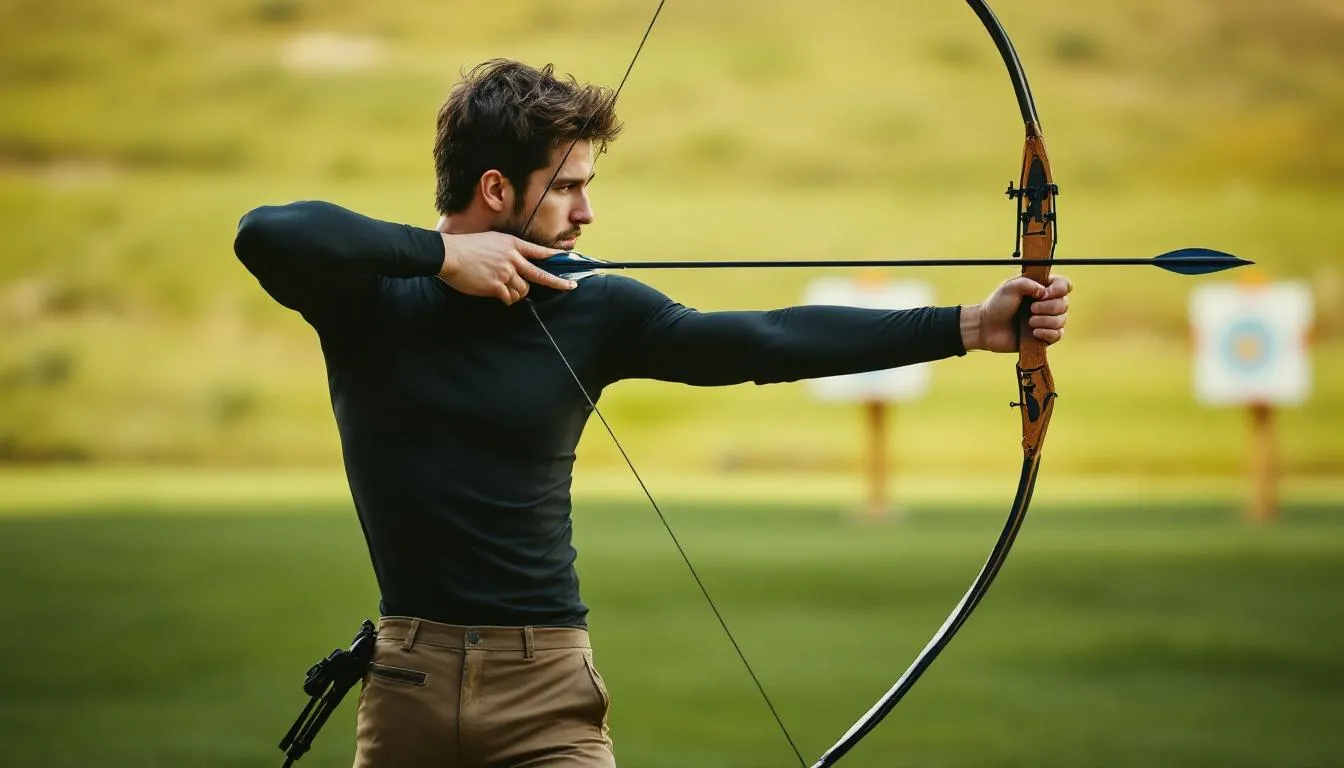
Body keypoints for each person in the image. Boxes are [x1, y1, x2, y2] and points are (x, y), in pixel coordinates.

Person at [233, 59, 1070, 768]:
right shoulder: (372, 298)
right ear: (495, 188)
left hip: (544, 700)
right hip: (406, 693)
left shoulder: (591, 306)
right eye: (566, 188)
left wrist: (970, 326)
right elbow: (266, 232)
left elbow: (764, 341)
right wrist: (444, 255)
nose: (586, 212)